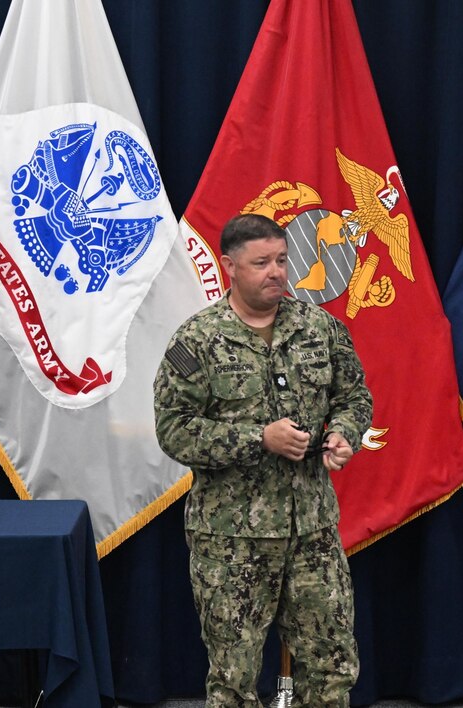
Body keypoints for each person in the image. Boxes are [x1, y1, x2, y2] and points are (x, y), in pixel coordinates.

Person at [154, 213, 373, 707]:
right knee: (232, 680)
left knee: (333, 668)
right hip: (231, 538)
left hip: (312, 530)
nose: (276, 272)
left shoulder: (320, 328)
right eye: (261, 263)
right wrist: (259, 438)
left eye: (281, 260)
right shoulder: (197, 341)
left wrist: (343, 432)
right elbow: (174, 430)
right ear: (230, 266)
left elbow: (354, 396)